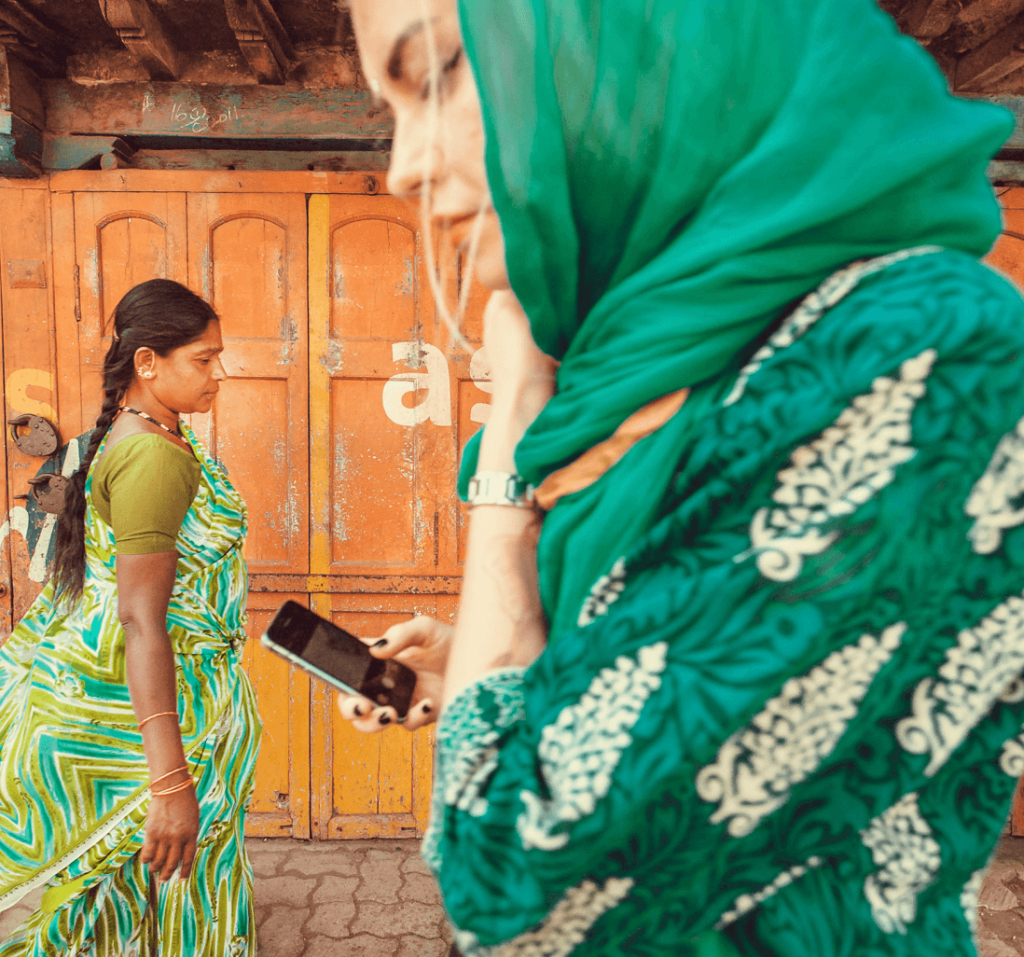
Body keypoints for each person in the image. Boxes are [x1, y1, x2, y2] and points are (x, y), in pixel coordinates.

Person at [338, 0, 1024, 955]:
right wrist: (483, 662)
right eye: (391, 111)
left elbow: (509, 875)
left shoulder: (923, 349)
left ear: (633, 44)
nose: (402, 167)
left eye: (439, 79)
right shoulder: (641, 373)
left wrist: (508, 444)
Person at [0, 279, 260, 956]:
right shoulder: (151, 454)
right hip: (162, 718)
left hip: (142, 702)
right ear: (148, 362)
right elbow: (144, 619)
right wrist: (171, 782)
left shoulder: (135, 429)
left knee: (116, 893)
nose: (218, 374)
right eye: (203, 359)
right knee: (163, 884)